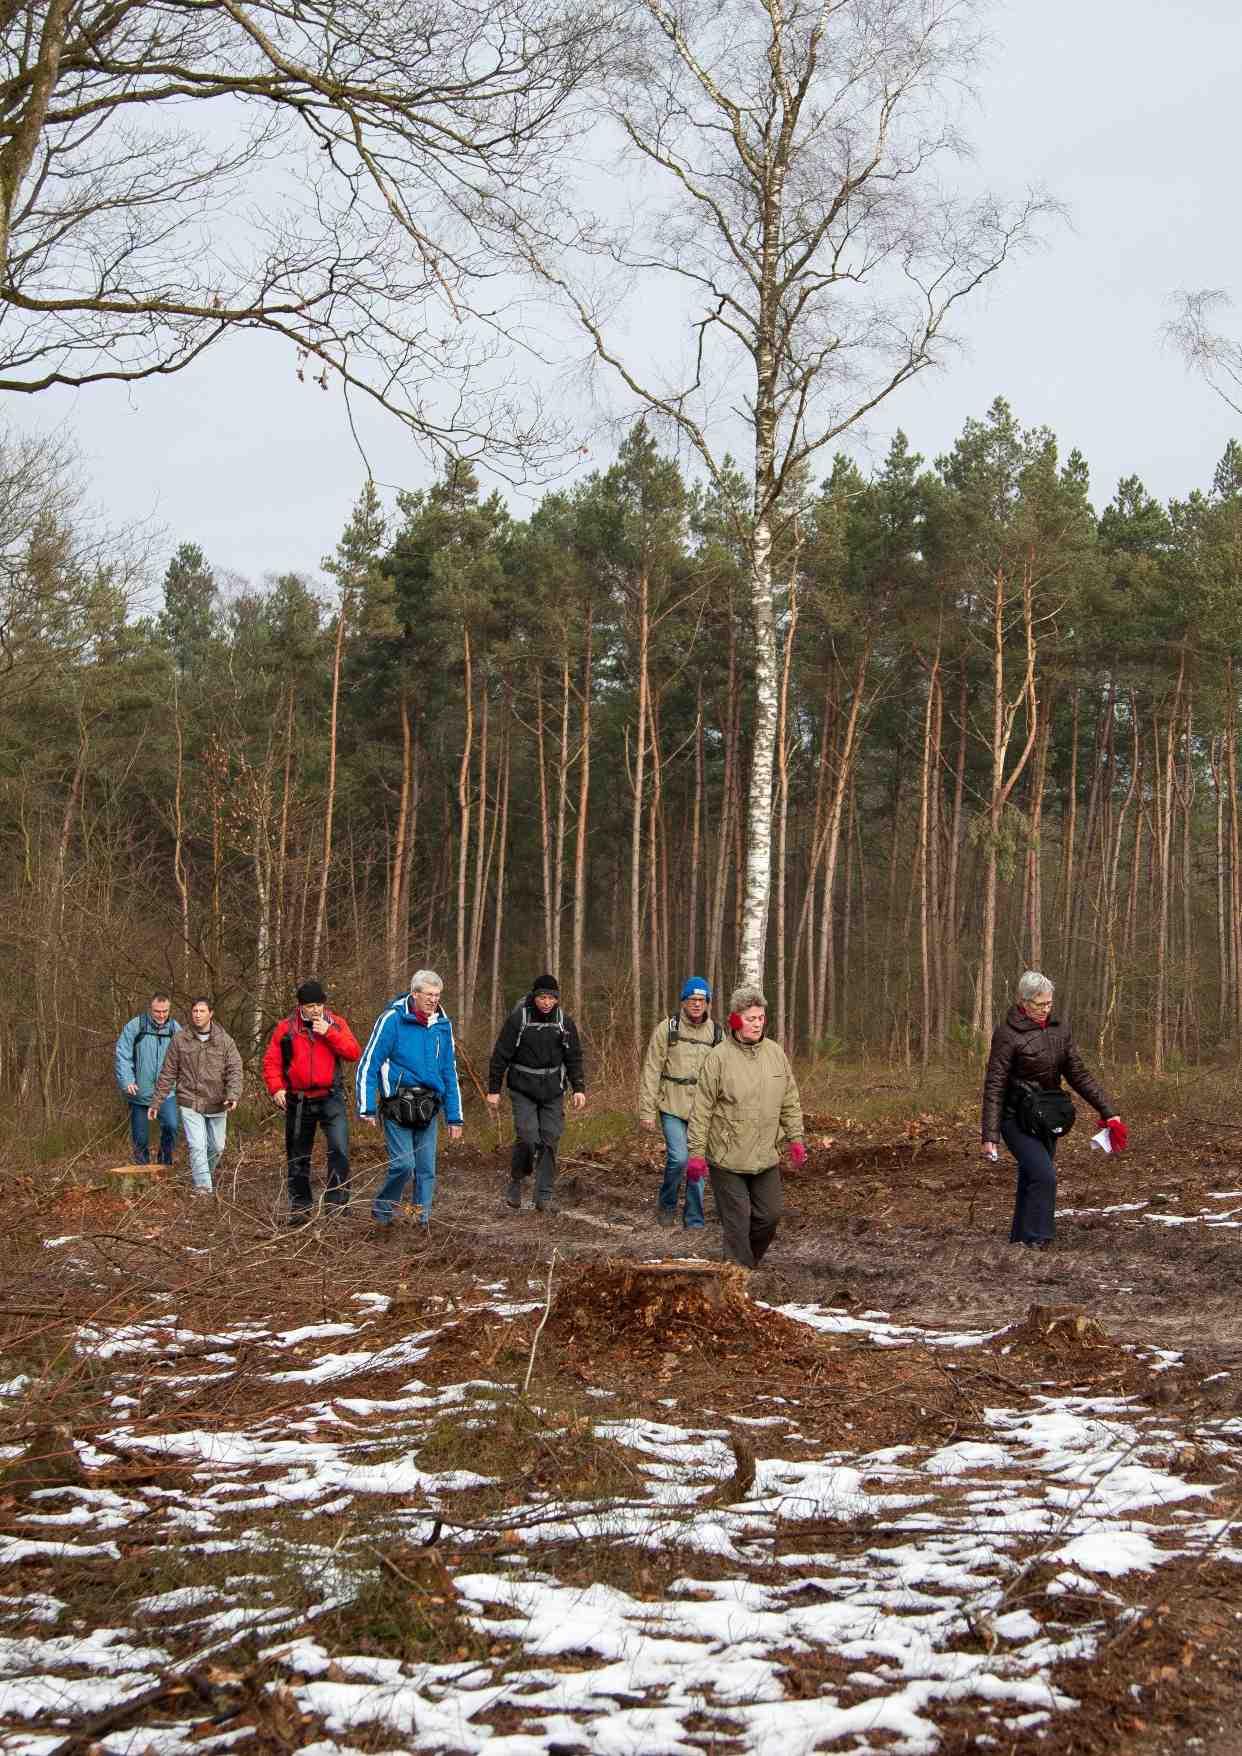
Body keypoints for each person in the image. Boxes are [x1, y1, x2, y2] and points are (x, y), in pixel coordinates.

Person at [981, 969, 1128, 1251]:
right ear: (1024, 1002)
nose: (1045, 1009)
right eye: (1039, 1004)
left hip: (1046, 1117)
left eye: (1049, 1003)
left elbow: (1078, 1074)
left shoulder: (1060, 1030)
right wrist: (990, 1136)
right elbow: (995, 1084)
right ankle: (1039, 1237)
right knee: (1043, 1175)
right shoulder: (1007, 1035)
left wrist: (1108, 1110)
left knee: (1031, 1176)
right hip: (1014, 1118)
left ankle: (1021, 1238)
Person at [686, 984, 806, 1270]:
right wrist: (696, 1154)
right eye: (751, 1018)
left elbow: (789, 1100)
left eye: (761, 1018)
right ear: (735, 1020)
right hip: (727, 1158)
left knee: (769, 1216)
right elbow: (701, 1110)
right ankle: (739, 1274)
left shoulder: (775, 1054)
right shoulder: (718, 1058)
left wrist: (796, 1138)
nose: (757, 1024)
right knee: (737, 1221)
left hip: (765, 1155)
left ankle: (742, 1265)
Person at [356, 969, 463, 1233]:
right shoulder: (392, 1019)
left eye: (437, 995)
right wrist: (367, 1106)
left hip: (429, 1106)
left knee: (426, 1170)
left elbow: (449, 1071)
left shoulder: (442, 1024)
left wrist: (454, 1116)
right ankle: (382, 1211)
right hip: (397, 1105)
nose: (433, 1000)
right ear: (415, 994)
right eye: (428, 995)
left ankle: (418, 1219)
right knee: (404, 1166)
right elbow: (369, 1062)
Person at [262, 979, 361, 1227]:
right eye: (309, 1006)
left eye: (318, 1004)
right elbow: (271, 1062)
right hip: (298, 1099)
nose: (315, 1010)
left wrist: (329, 1033)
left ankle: (337, 1207)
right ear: (300, 1006)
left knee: (339, 1149)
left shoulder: (336, 1024)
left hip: (331, 1096)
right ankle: (300, 1209)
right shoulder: (286, 1028)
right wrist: (276, 1088)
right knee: (297, 1156)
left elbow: (353, 1052)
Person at [488, 973, 586, 1214]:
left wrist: (579, 1088)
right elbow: (500, 1055)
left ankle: (544, 1195)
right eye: (542, 997)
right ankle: (517, 1180)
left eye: (551, 998)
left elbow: (574, 1057)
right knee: (528, 1137)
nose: (546, 1002)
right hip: (523, 1087)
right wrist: (494, 1090)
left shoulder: (564, 1022)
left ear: (557, 999)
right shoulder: (519, 1019)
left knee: (550, 1139)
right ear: (534, 997)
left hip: (552, 1089)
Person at [638, 976, 723, 1230]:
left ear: (707, 1003)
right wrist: (647, 1111)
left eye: (701, 1000)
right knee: (679, 1158)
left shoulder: (717, 1033)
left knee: (697, 1162)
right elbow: (652, 1069)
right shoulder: (668, 1028)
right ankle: (667, 1205)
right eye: (692, 999)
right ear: (683, 1002)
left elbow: (725, 1074)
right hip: (672, 1105)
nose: (696, 1004)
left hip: (703, 1110)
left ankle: (694, 1218)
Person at [149, 997, 243, 1196]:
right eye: (195, 1011)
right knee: (197, 1146)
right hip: (189, 1101)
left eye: (202, 1011)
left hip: (217, 1102)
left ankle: (203, 1177)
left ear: (211, 1014)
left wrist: (233, 1094)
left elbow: (235, 1070)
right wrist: (156, 1102)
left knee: (217, 1147)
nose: (198, 1015)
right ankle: (203, 1191)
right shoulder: (180, 1039)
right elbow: (168, 1073)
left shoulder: (225, 1041)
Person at [114, 994, 181, 1166]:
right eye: (157, 1011)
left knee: (172, 1126)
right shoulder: (136, 1026)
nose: (161, 1015)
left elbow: (183, 1058)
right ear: (150, 1009)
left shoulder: (175, 1029)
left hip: (166, 1092)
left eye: (165, 1011)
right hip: (139, 1091)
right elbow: (123, 1054)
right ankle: (141, 1169)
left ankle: (164, 1164)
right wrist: (127, 1080)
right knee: (140, 1138)